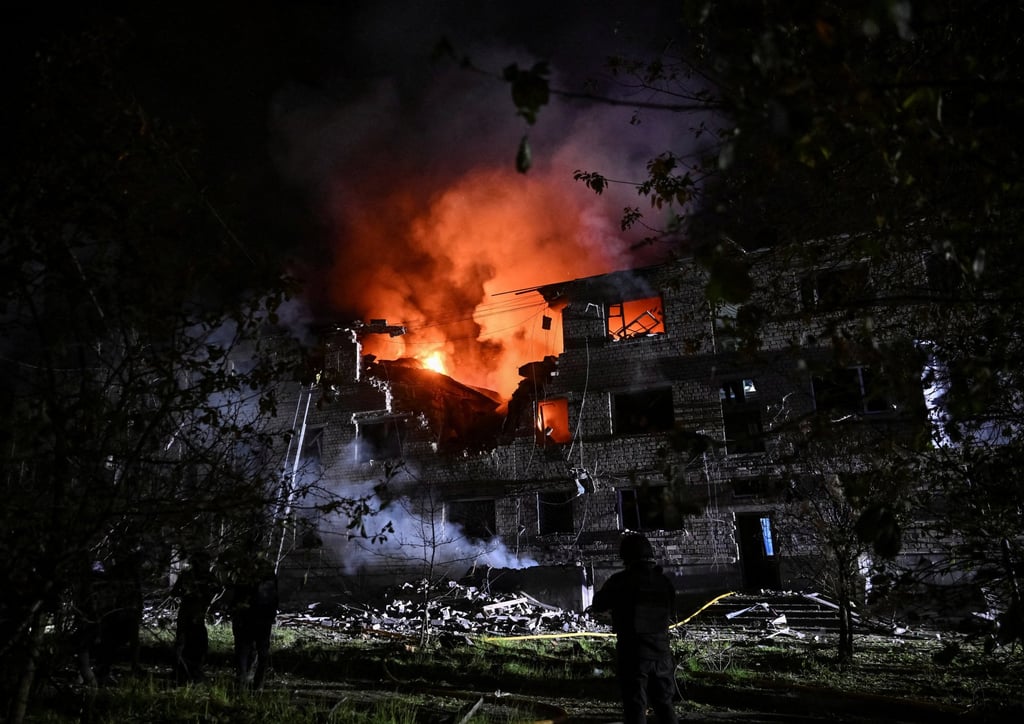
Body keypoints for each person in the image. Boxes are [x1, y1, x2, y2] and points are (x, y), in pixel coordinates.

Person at [589, 532, 679, 724]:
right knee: (664, 704)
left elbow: (598, 604)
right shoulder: (663, 581)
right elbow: (672, 609)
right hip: (662, 653)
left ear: (626, 556)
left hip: (633, 654)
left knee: (635, 706)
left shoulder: (621, 580)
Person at [227, 553, 279, 690]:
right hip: (256, 620)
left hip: (252, 620)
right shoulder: (266, 578)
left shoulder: (249, 577)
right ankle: (254, 685)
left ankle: (246, 684)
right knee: (256, 654)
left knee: (247, 653)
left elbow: (236, 598)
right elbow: (274, 599)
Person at [171, 551, 219, 684]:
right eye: (205, 562)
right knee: (190, 644)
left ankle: (187, 672)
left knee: (193, 644)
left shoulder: (202, 576)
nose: (207, 564)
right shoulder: (192, 575)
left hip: (195, 615)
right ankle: (183, 673)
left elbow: (218, 589)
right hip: (190, 615)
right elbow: (175, 592)